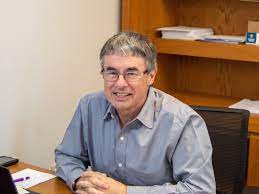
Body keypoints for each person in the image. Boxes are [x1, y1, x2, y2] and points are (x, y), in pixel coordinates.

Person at [55, 31, 216, 194]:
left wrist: (125, 192)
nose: (120, 84)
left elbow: (201, 190)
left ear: (151, 76)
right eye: (111, 72)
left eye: (131, 73)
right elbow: (67, 156)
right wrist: (78, 180)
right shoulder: (89, 106)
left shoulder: (182, 122)